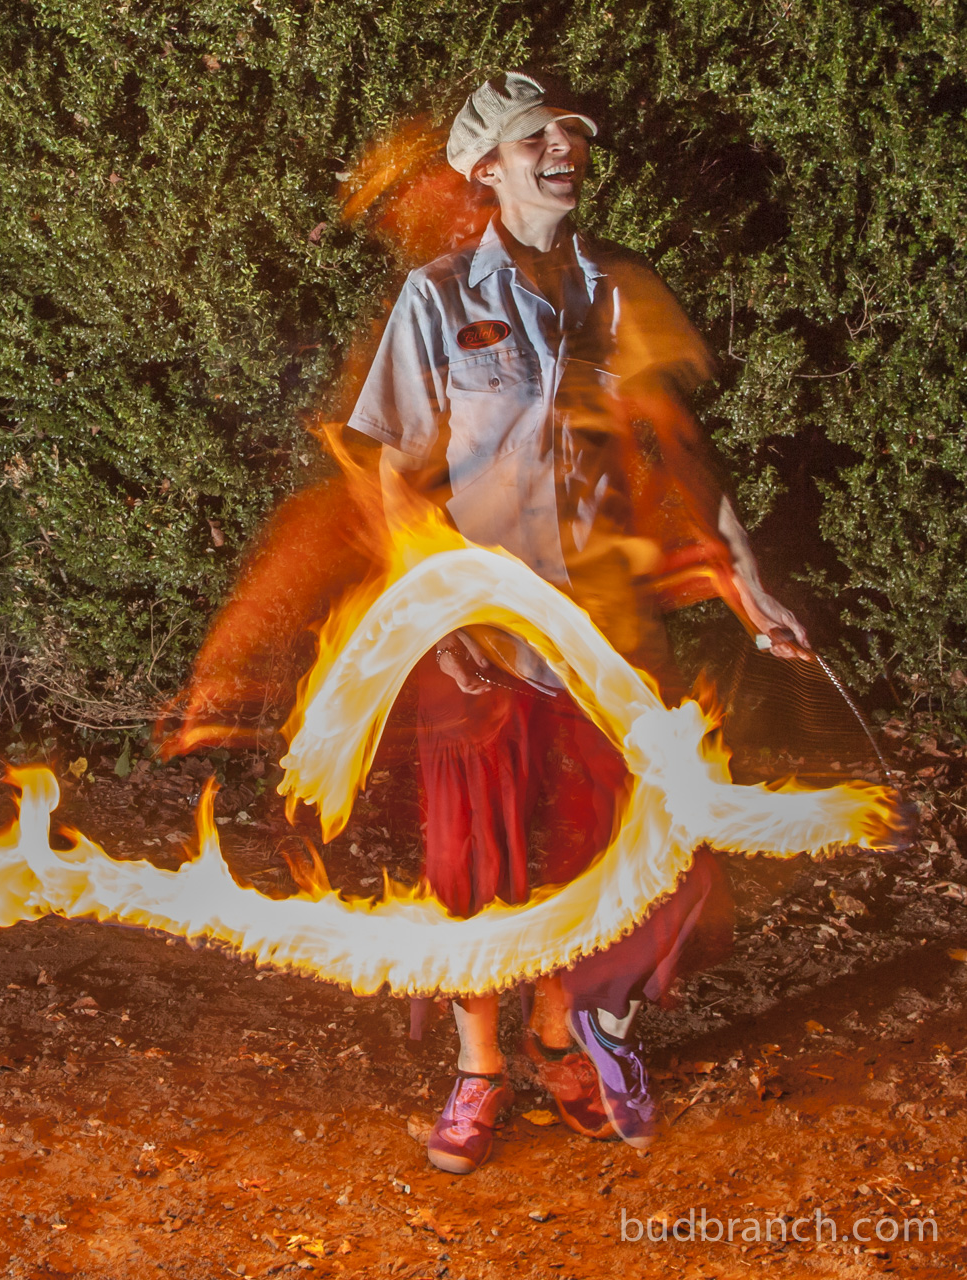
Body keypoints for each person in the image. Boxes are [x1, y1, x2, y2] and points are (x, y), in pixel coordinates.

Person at [346, 73, 809, 1174]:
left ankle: (561, 1042)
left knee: (603, 854)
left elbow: (677, 450)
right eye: (534, 137)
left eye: (571, 132)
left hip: (609, 639)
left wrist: (747, 581)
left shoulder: (620, 289)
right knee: (475, 864)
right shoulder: (437, 296)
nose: (563, 146)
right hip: (486, 639)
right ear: (485, 168)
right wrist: (437, 606)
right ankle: (477, 1071)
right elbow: (395, 476)